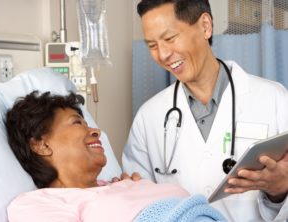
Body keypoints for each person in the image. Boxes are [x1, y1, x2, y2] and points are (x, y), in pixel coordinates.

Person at [122, 0, 288, 221]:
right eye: (152, 45)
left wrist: (279, 190)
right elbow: (139, 208)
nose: (162, 55)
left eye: (170, 38)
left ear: (205, 26)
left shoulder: (273, 98)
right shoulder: (149, 117)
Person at [5, 91, 226, 222]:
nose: (96, 131)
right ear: (41, 145)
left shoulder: (124, 183)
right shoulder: (35, 204)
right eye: (76, 122)